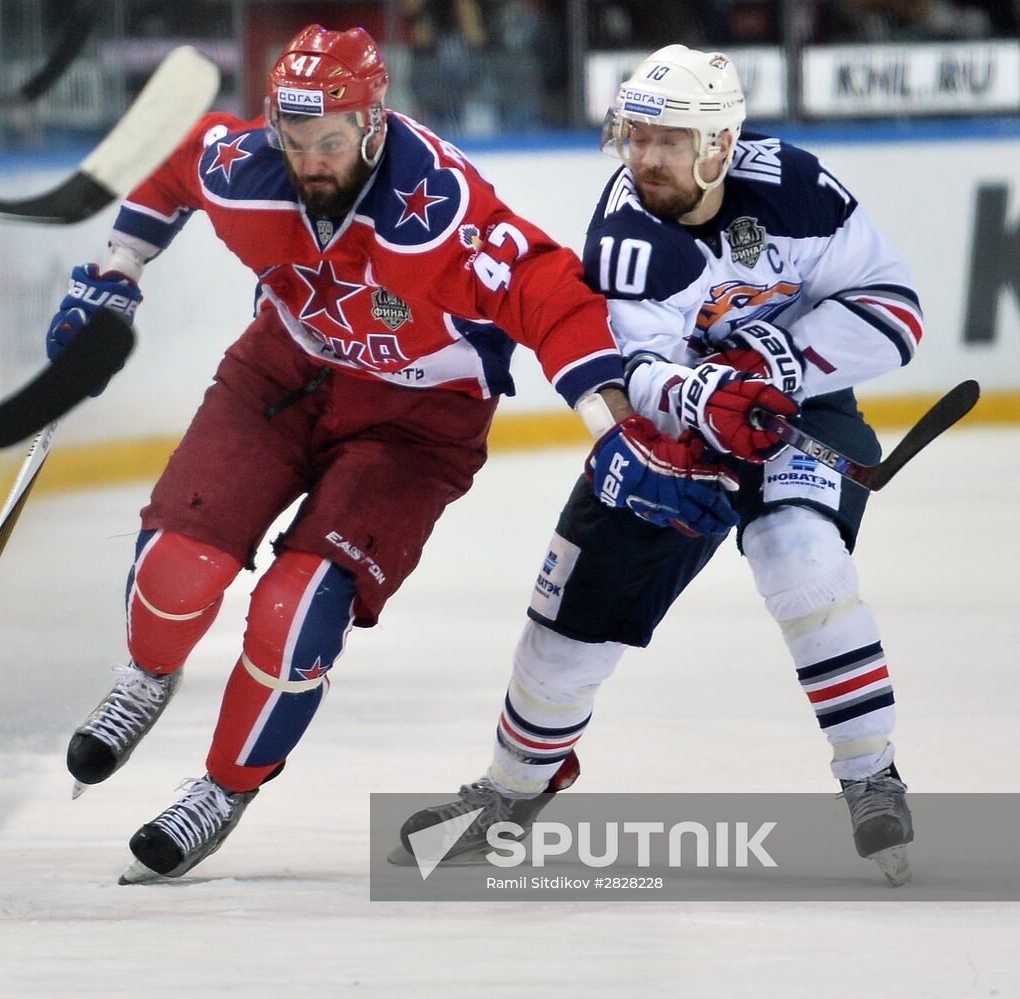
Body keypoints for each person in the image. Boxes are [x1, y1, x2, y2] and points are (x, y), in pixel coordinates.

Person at [47, 25, 740, 884]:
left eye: (330, 140)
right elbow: (180, 159)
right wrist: (114, 271)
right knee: (173, 576)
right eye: (294, 140)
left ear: (374, 122)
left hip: (418, 423)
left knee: (294, 612)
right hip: (285, 369)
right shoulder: (251, 169)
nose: (309, 160)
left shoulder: (438, 212)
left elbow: (553, 295)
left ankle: (224, 787)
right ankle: (149, 673)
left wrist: (615, 429)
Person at [392, 44, 923, 885]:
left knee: (803, 556)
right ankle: (511, 790)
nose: (644, 158)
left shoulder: (797, 189)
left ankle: (870, 776)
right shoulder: (629, 234)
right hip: (675, 435)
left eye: (668, 141)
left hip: (797, 408)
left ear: (721, 143)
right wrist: (708, 395)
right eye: (634, 137)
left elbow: (894, 310)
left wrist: (777, 369)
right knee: (566, 617)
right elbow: (637, 369)